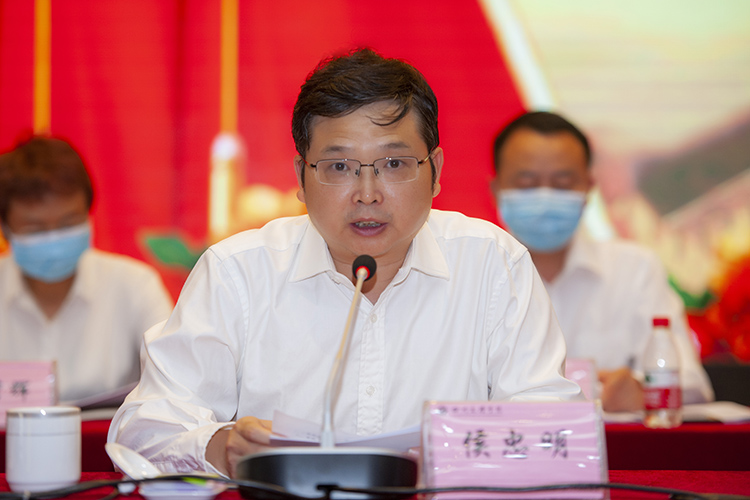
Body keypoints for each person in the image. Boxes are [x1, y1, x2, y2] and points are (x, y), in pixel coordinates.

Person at [108, 49, 582, 478]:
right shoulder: (238, 273)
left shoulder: (494, 265)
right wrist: (218, 446)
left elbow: (552, 424)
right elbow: (143, 427)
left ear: (435, 171)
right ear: (301, 176)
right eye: (339, 167)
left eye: (394, 164)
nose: (367, 194)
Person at [490, 111, 714, 412]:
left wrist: (640, 391)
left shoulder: (634, 269)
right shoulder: (471, 274)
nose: (545, 196)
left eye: (562, 183)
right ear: (497, 189)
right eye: (527, 183)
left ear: (588, 188)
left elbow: (692, 384)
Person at [0, 135, 174, 403]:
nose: (54, 239)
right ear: (5, 228)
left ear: (88, 215)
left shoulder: (135, 285)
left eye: (68, 223)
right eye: (35, 229)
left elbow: (175, 380)